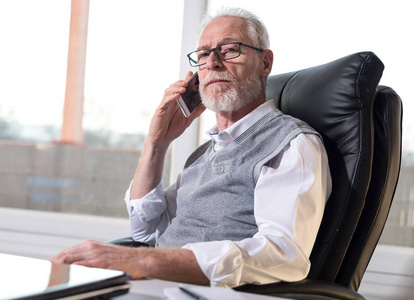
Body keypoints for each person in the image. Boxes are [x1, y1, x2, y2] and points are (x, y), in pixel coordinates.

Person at [50, 7, 332, 288]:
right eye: (203, 54)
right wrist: (156, 144)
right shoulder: (203, 155)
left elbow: (283, 255)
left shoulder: (292, 144)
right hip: (157, 286)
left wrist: (145, 262)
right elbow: (146, 231)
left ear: (265, 63)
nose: (213, 63)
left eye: (230, 49)